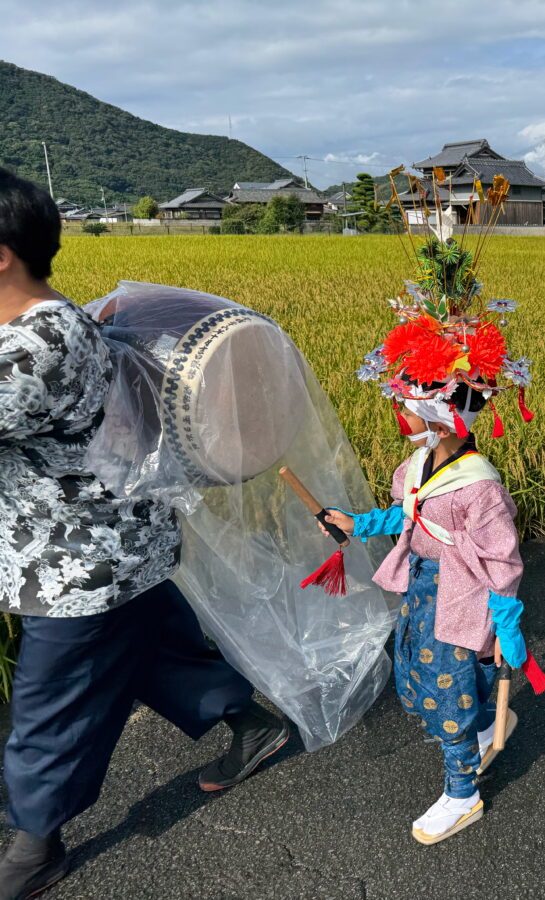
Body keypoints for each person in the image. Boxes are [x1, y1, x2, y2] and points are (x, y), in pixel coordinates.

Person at [0, 169, 288, 899]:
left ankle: (35, 845)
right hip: (124, 542)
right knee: (156, 649)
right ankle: (251, 726)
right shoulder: (47, 322)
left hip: (77, 569)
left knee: (50, 706)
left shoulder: (32, 353)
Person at [345, 215, 545, 845]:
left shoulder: (479, 484)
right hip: (424, 588)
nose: (404, 410)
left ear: (447, 407)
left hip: (463, 595)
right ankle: (489, 723)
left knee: (446, 691)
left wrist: (507, 617)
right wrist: (354, 523)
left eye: (414, 400)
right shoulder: (418, 464)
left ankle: (463, 795)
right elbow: (407, 514)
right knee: (439, 680)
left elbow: (505, 561)